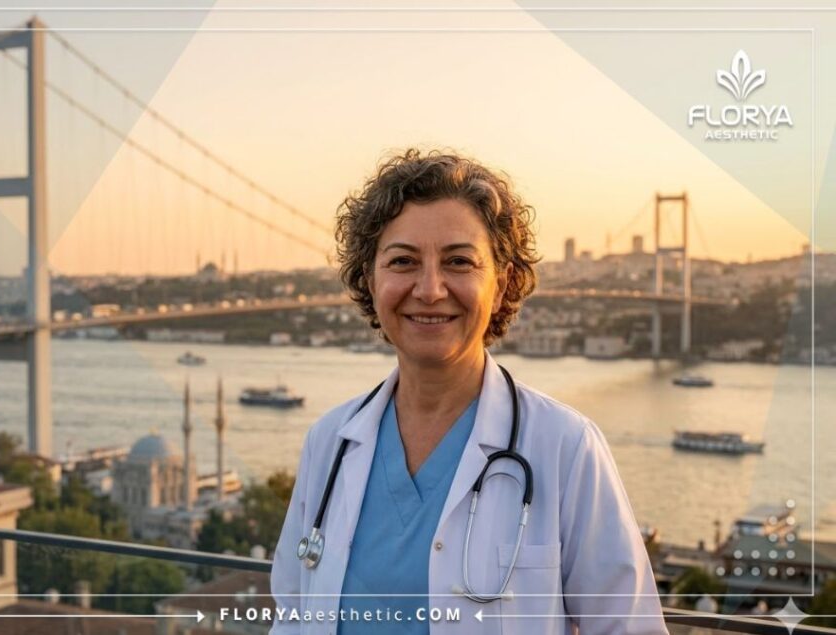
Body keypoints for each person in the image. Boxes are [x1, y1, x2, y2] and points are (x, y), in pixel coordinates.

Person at [270, 149, 667, 635]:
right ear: (370, 281)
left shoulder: (566, 446)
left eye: (459, 261)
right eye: (402, 261)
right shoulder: (329, 440)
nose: (430, 289)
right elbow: (291, 614)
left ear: (502, 285)